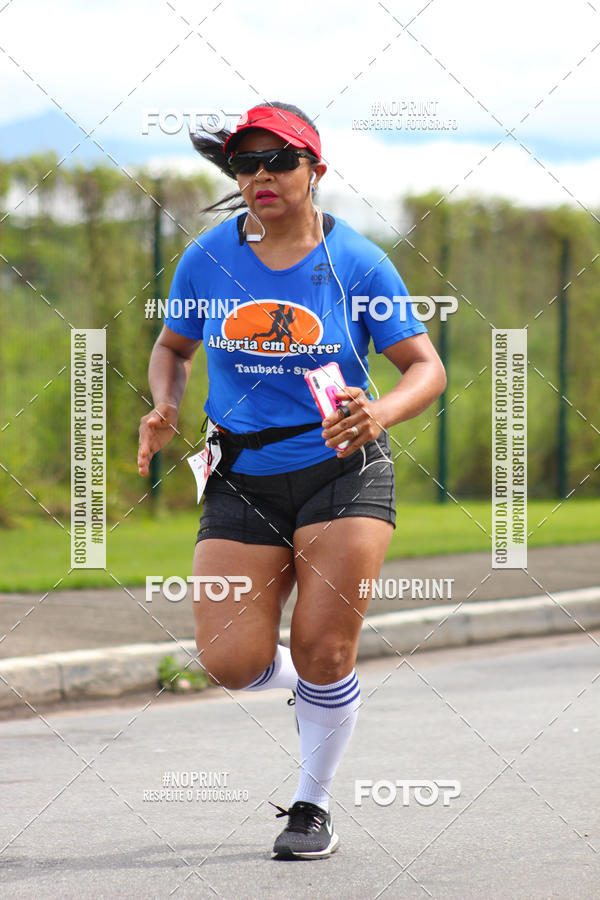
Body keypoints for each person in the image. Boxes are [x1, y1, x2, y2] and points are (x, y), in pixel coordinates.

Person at [137, 101, 446, 860]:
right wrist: (166, 403)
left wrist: (379, 414)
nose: (261, 175)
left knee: (324, 648)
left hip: (342, 468)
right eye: (246, 162)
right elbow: (172, 347)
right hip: (241, 473)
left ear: (316, 170)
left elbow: (424, 368)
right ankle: (320, 700)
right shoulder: (208, 259)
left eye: (279, 159)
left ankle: (312, 804)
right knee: (230, 663)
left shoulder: (358, 263)